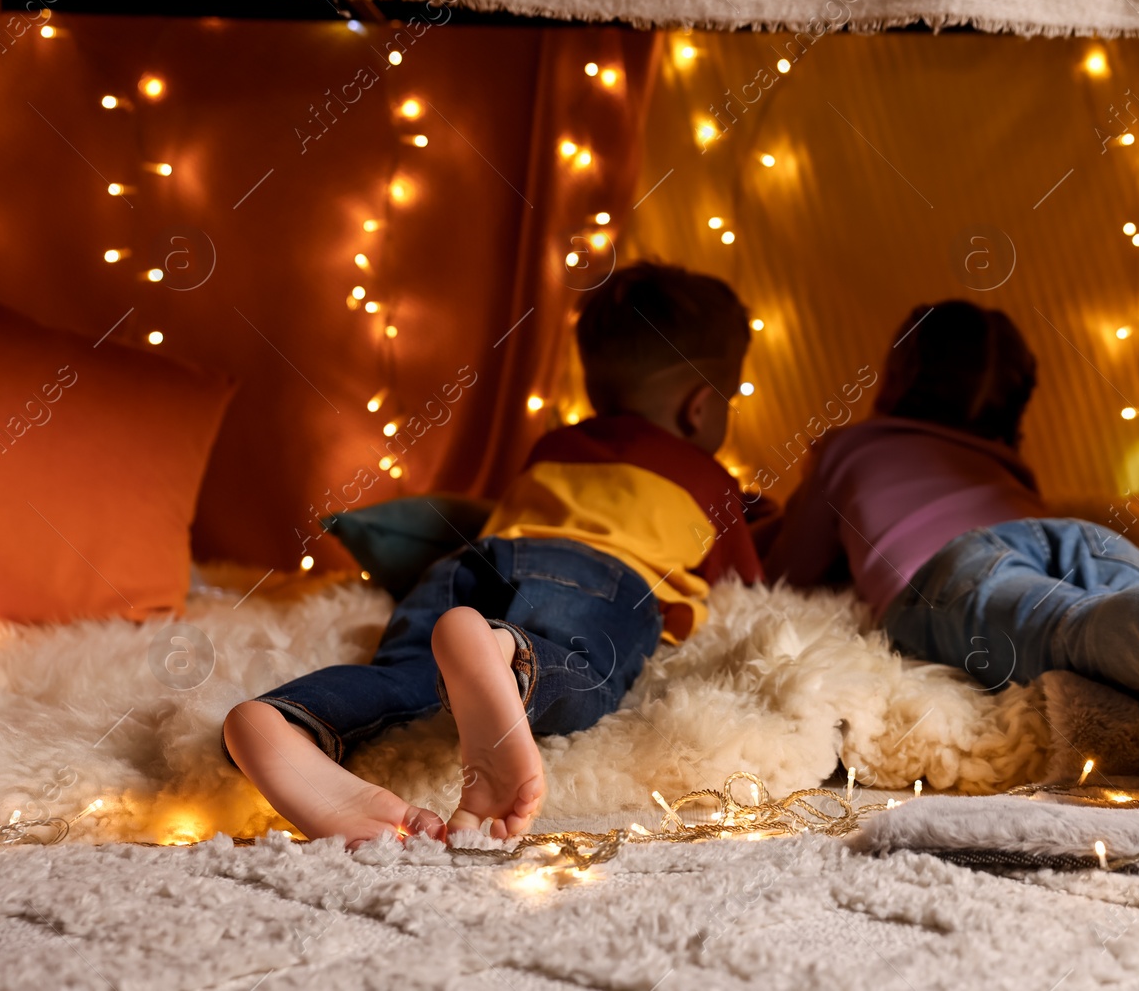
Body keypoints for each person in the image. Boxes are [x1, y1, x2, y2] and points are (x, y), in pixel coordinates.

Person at [766, 300, 1139, 827]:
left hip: (950, 568)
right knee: (1120, 641)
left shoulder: (848, 449)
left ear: (897, 377)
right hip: (1080, 535)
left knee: (1065, 628)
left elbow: (788, 568)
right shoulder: (1002, 465)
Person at [224, 262, 761, 845]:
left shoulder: (556, 445)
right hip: (600, 574)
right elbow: (747, 585)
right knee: (583, 668)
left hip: (475, 560)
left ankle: (285, 718)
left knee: (405, 677)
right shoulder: (710, 481)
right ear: (700, 408)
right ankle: (502, 651)